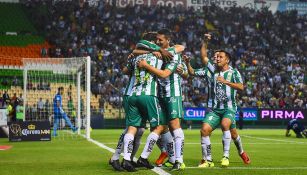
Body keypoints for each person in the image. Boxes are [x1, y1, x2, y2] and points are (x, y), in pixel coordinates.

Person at [184, 35, 246, 167]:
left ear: (227, 60)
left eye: (220, 57)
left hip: (229, 108)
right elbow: (196, 65)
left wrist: (226, 82)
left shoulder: (234, 72)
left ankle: (229, 156)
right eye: (216, 57)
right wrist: (204, 42)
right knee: (204, 130)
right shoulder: (211, 70)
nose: (217, 58)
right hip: (214, 109)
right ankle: (208, 160)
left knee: (228, 128)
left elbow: (241, 87)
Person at [137, 29, 187, 170]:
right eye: (157, 39)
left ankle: (179, 160)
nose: (158, 42)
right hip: (158, 95)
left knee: (174, 126)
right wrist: (154, 51)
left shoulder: (174, 54)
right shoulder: (157, 52)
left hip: (172, 94)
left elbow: (165, 74)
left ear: (168, 40)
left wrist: (146, 65)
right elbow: (138, 48)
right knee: (158, 127)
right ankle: (166, 157)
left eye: (161, 40)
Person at [120, 32, 167, 172]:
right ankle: (144, 157)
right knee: (159, 126)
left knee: (132, 128)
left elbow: (125, 70)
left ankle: (127, 160)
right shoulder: (158, 55)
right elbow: (176, 49)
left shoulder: (135, 56)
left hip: (133, 95)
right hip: (148, 95)